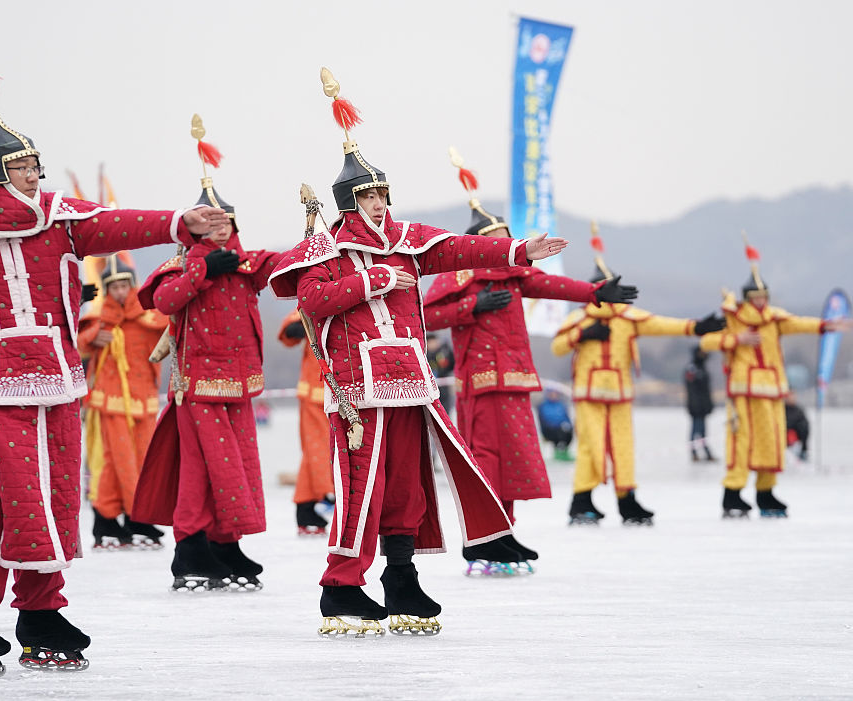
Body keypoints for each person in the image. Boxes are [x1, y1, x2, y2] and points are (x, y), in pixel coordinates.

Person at [0, 22, 230, 674]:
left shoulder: (61, 217)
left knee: (58, 493)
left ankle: (40, 609)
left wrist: (179, 222)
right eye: (26, 166)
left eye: (36, 163)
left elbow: (115, 222)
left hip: (58, 379)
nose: (36, 172)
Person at [268, 69, 569, 636]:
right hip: (357, 386)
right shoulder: (326, 245)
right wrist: (376, 279)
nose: (379, 204)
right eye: (368, 195)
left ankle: (400, 576)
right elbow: (311, 300)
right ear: (348, 200)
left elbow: (458, 247)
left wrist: (519, 249)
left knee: (407, 483)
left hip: (409, 379)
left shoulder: (408, 240)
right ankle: (341, 586)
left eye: (383, 193)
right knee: (363, 484)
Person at [423, 152, 638, 572]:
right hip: (481, 381)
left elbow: (552, 284)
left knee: (516, 461)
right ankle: (480, 538)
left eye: (509, 239)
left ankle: (504, 532)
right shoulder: (463, 276)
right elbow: (425, 314)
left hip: (517, 377)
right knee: (486, 462)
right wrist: (472, 306)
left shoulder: (515, 275)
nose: (507, 248)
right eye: (499, 240)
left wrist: (594, 292)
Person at [130, 119, 281, 593]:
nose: (218, 229)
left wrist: (322, 240)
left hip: (242, 382)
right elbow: (160, 301)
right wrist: (202, 272)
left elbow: (286, 265)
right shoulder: (183, 265)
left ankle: (225, 545)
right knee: (202, 469)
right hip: (197, 385)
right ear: (194, 228)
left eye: (225, 221)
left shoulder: (247, 263)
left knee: (237, 466)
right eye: (209, 222)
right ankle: (190, 549)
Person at [550, 226, 725, 526]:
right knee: (591, 446)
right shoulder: (578, 318)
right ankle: (581, 501)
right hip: (588, 393)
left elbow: (661, 324)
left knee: (623, 446)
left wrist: (696, 328)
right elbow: (557, 348)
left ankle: (627, 500)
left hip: (619, 392)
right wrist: (585, 334)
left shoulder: (627, 318)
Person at [699, 243, 852, 518]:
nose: (760, 302)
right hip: (744, 391)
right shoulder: (733, 319)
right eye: (756, 297)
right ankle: (732, 494)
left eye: (764, 297)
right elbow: (707, 342)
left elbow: (798, 323)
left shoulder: (774, 319)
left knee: (771, 441)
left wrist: (824, 325)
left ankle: (765, 493)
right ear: (747, 299)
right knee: (741, 442)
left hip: (771, 391)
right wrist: (736, 340)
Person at [77, 255, 168, 549]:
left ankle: (106, 520)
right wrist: (94, 337)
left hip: (145, 400)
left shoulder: (147, 315)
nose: (119, 292)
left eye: (124, 285)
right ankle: (136, 516)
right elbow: (76, 341)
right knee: (121, 462)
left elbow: (169, 326)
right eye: (113, 286)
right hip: (110, 402)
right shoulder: (99, 315)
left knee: (141, 461)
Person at [278, 309, 335, 536]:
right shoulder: (315, 294)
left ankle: (307, 508)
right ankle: (326, 496)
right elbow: (290, 332)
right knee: (318, 449)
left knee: (321, 449)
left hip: (346, 391)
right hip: (316, 392)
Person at [683, 346, 717, 462]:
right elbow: (691, 390)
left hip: (703, 407)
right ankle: (694, 453)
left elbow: (706, 391)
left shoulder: (702, 368)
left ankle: (706, 452)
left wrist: (709, 405)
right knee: (695, 431)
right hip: (696, 407)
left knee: (703, 432)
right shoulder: (692, 369)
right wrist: (694, 405)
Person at [537, 388, 574, 462]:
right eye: (552, 393)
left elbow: (566, 418)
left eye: (555, 393)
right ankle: (557, 451)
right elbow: (545, 419)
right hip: (549, 429)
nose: (554, 395)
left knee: (568, 431)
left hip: (562, 427)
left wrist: (568, 424)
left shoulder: (561, 404)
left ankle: (564, 451)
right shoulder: (543, 405)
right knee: (559, 432)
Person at [784, 391, 810, 461]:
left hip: (796, 438)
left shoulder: (799, 410)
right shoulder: (782, 409)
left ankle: (803, 452)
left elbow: (804, 423)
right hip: (784, 435)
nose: (791, 398)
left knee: (804, 426)